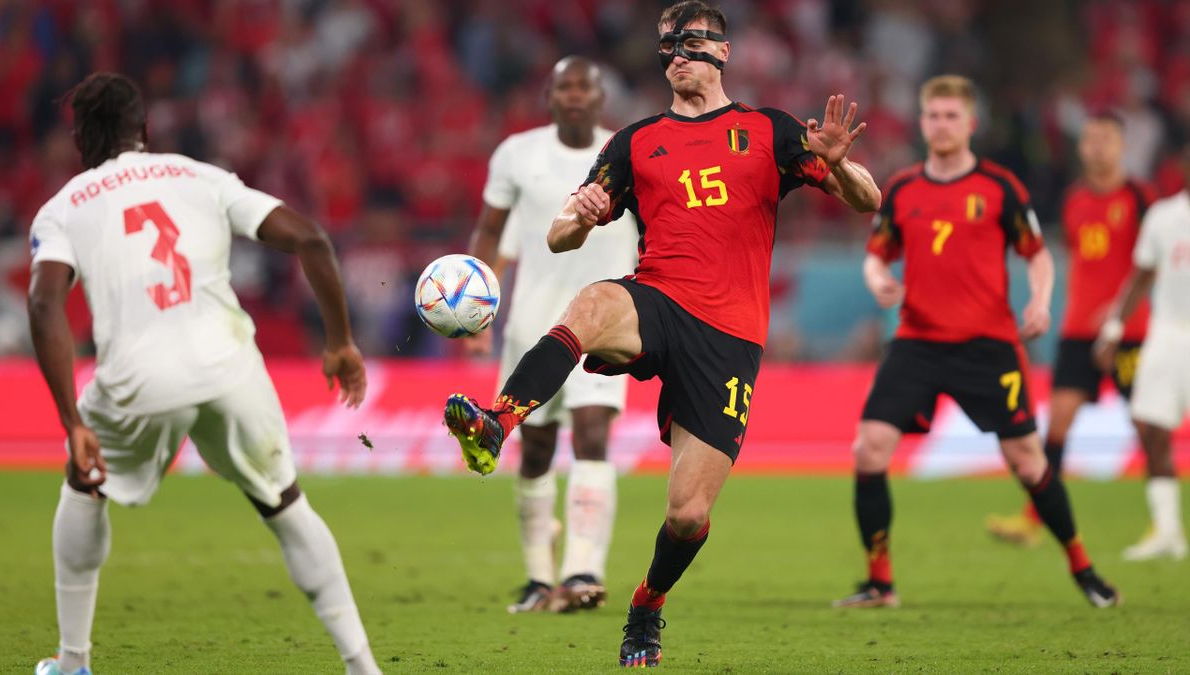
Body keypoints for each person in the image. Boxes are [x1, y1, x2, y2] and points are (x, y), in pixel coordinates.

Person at [444, 1, 880, 666]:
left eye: (690, 41)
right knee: (590, 302)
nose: (677, 53)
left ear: (724, 51)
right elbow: (560, 236)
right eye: (667, 45)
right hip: (657, 298)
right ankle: (498, 421)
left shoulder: (769, 131)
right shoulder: (636, 141)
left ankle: (646, 604)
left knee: (687, 514)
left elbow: (867, 200)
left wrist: (841, 164)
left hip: (729, 336)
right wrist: (582, 215)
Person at [28, 73, 379, 675]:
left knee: (84, 485)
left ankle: (75, 663)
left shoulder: (64, 207)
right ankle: (362, 665)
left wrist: (71, 421)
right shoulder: (202, 176)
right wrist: (341, 342)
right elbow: (312, 240)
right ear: (144, 129)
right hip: (230, 368)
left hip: (139, 379)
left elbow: (42, 303)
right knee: (285, 502)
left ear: (81, 139)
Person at [835, 74, 1120, 609]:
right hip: (917, 342)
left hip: (987, 345)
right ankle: (880, 583)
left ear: (970, 123)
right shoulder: (902, 188)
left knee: (1029, 463)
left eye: (951, 116)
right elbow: (878, 254)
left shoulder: (999, 187)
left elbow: (1037, 253)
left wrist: (1039, 300)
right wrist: (878, 281)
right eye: (933, 116)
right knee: (868, 449)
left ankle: (1084, 569)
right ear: (923, 122)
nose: (941, 125)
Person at [466, 56, 638, 614]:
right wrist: (473, 308)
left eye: (583, 86)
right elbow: (490, 231)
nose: (573, 95)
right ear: (549, 95)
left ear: (599, 94)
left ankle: (583, 571)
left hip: (605, 323)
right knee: (534, 449)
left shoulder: (626, 152)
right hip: (532, 324)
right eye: (563, 86)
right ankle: (540, 579)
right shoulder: (517, 153)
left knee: (592, 436)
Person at [987, 112, 1154, 546]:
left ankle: (1164, 522)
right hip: (1078, 329)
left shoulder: (1139, 198)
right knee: (1057, 421)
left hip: (1130, 330)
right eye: (1091, 139)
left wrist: (1117, 311)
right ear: (1082, 147)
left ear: (1122, 145)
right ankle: (1033, 518)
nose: (1098, 147)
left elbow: (1150, 265)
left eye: (1107, 139)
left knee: (1147, 425)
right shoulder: (1074, 200)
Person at [1094, 145, 1190, 561]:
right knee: (1149, 426)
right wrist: (1114, 327)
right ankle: (1168, 531)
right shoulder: (1164, 216)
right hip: (1168, 333)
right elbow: (1141, 276)